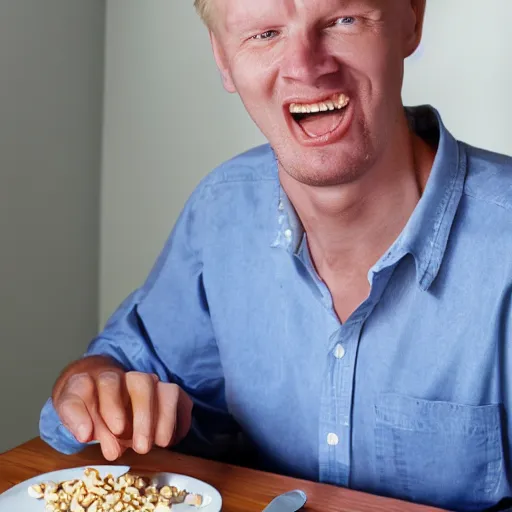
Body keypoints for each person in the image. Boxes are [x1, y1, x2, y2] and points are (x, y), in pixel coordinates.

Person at [39, 0, 512, 510]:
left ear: (411, 20)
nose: (306, 67)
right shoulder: (223, 209)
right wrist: (96, 386)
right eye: (264, 34)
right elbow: (119, 366)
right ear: (223, 58)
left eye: (342, 20)